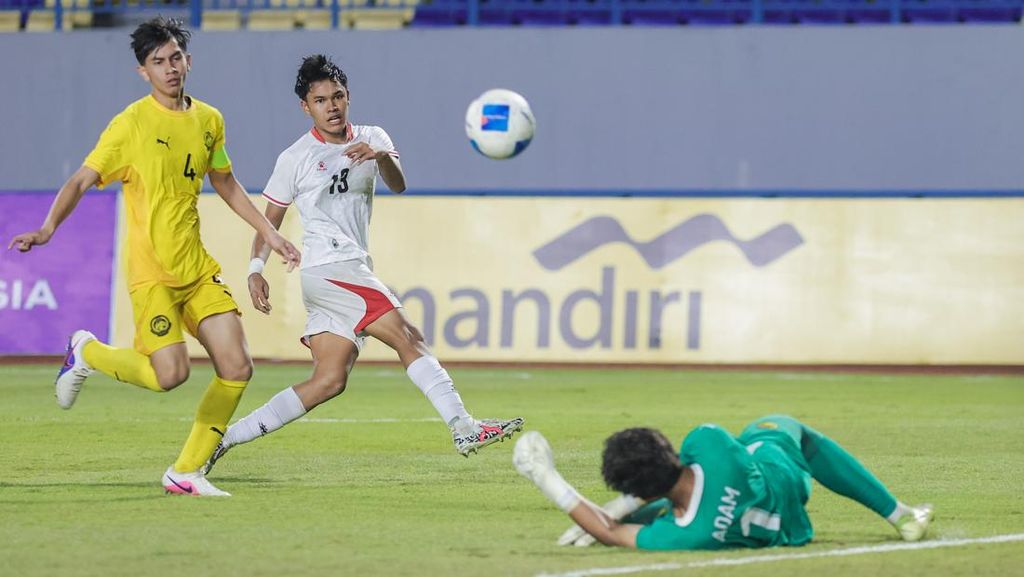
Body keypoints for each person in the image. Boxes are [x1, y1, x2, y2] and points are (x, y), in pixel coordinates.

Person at [7, 17, 301, 497]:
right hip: (152, 275)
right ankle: (87, 352)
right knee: (171, 375)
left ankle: (185, 471)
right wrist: (47, 228)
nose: (169, 69)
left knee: (238, 367)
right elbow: (82, 178)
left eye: (175, 58)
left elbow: (225, 182)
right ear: (143, 71)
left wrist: (269, 231)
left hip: (196, 269)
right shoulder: (130, 124)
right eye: (158, 62)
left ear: (189, 60)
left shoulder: (209, 120)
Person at [201, 54, 522, 475]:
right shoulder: (294, 158)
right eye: (320, 100)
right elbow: (269, 221)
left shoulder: (373, 137)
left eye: (337, 97)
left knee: (328, 381)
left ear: (348, 96)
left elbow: (399, 184)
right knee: (409, 337)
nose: (331, 106)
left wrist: (379, 156)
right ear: (306, 107)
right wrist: (255, 269)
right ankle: (462, 425)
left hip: (341, 270)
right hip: (331, 267)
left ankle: (221, 440)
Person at [514, 415, 934, 550]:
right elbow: (691, 470)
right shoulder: (707, 441)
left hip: (785, 534)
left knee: (664, 508)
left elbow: (610, 532)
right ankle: (901, 516)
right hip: (783, 480)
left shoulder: (681, 535)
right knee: (787, 427)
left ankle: (623, 503)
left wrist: (547, 478)